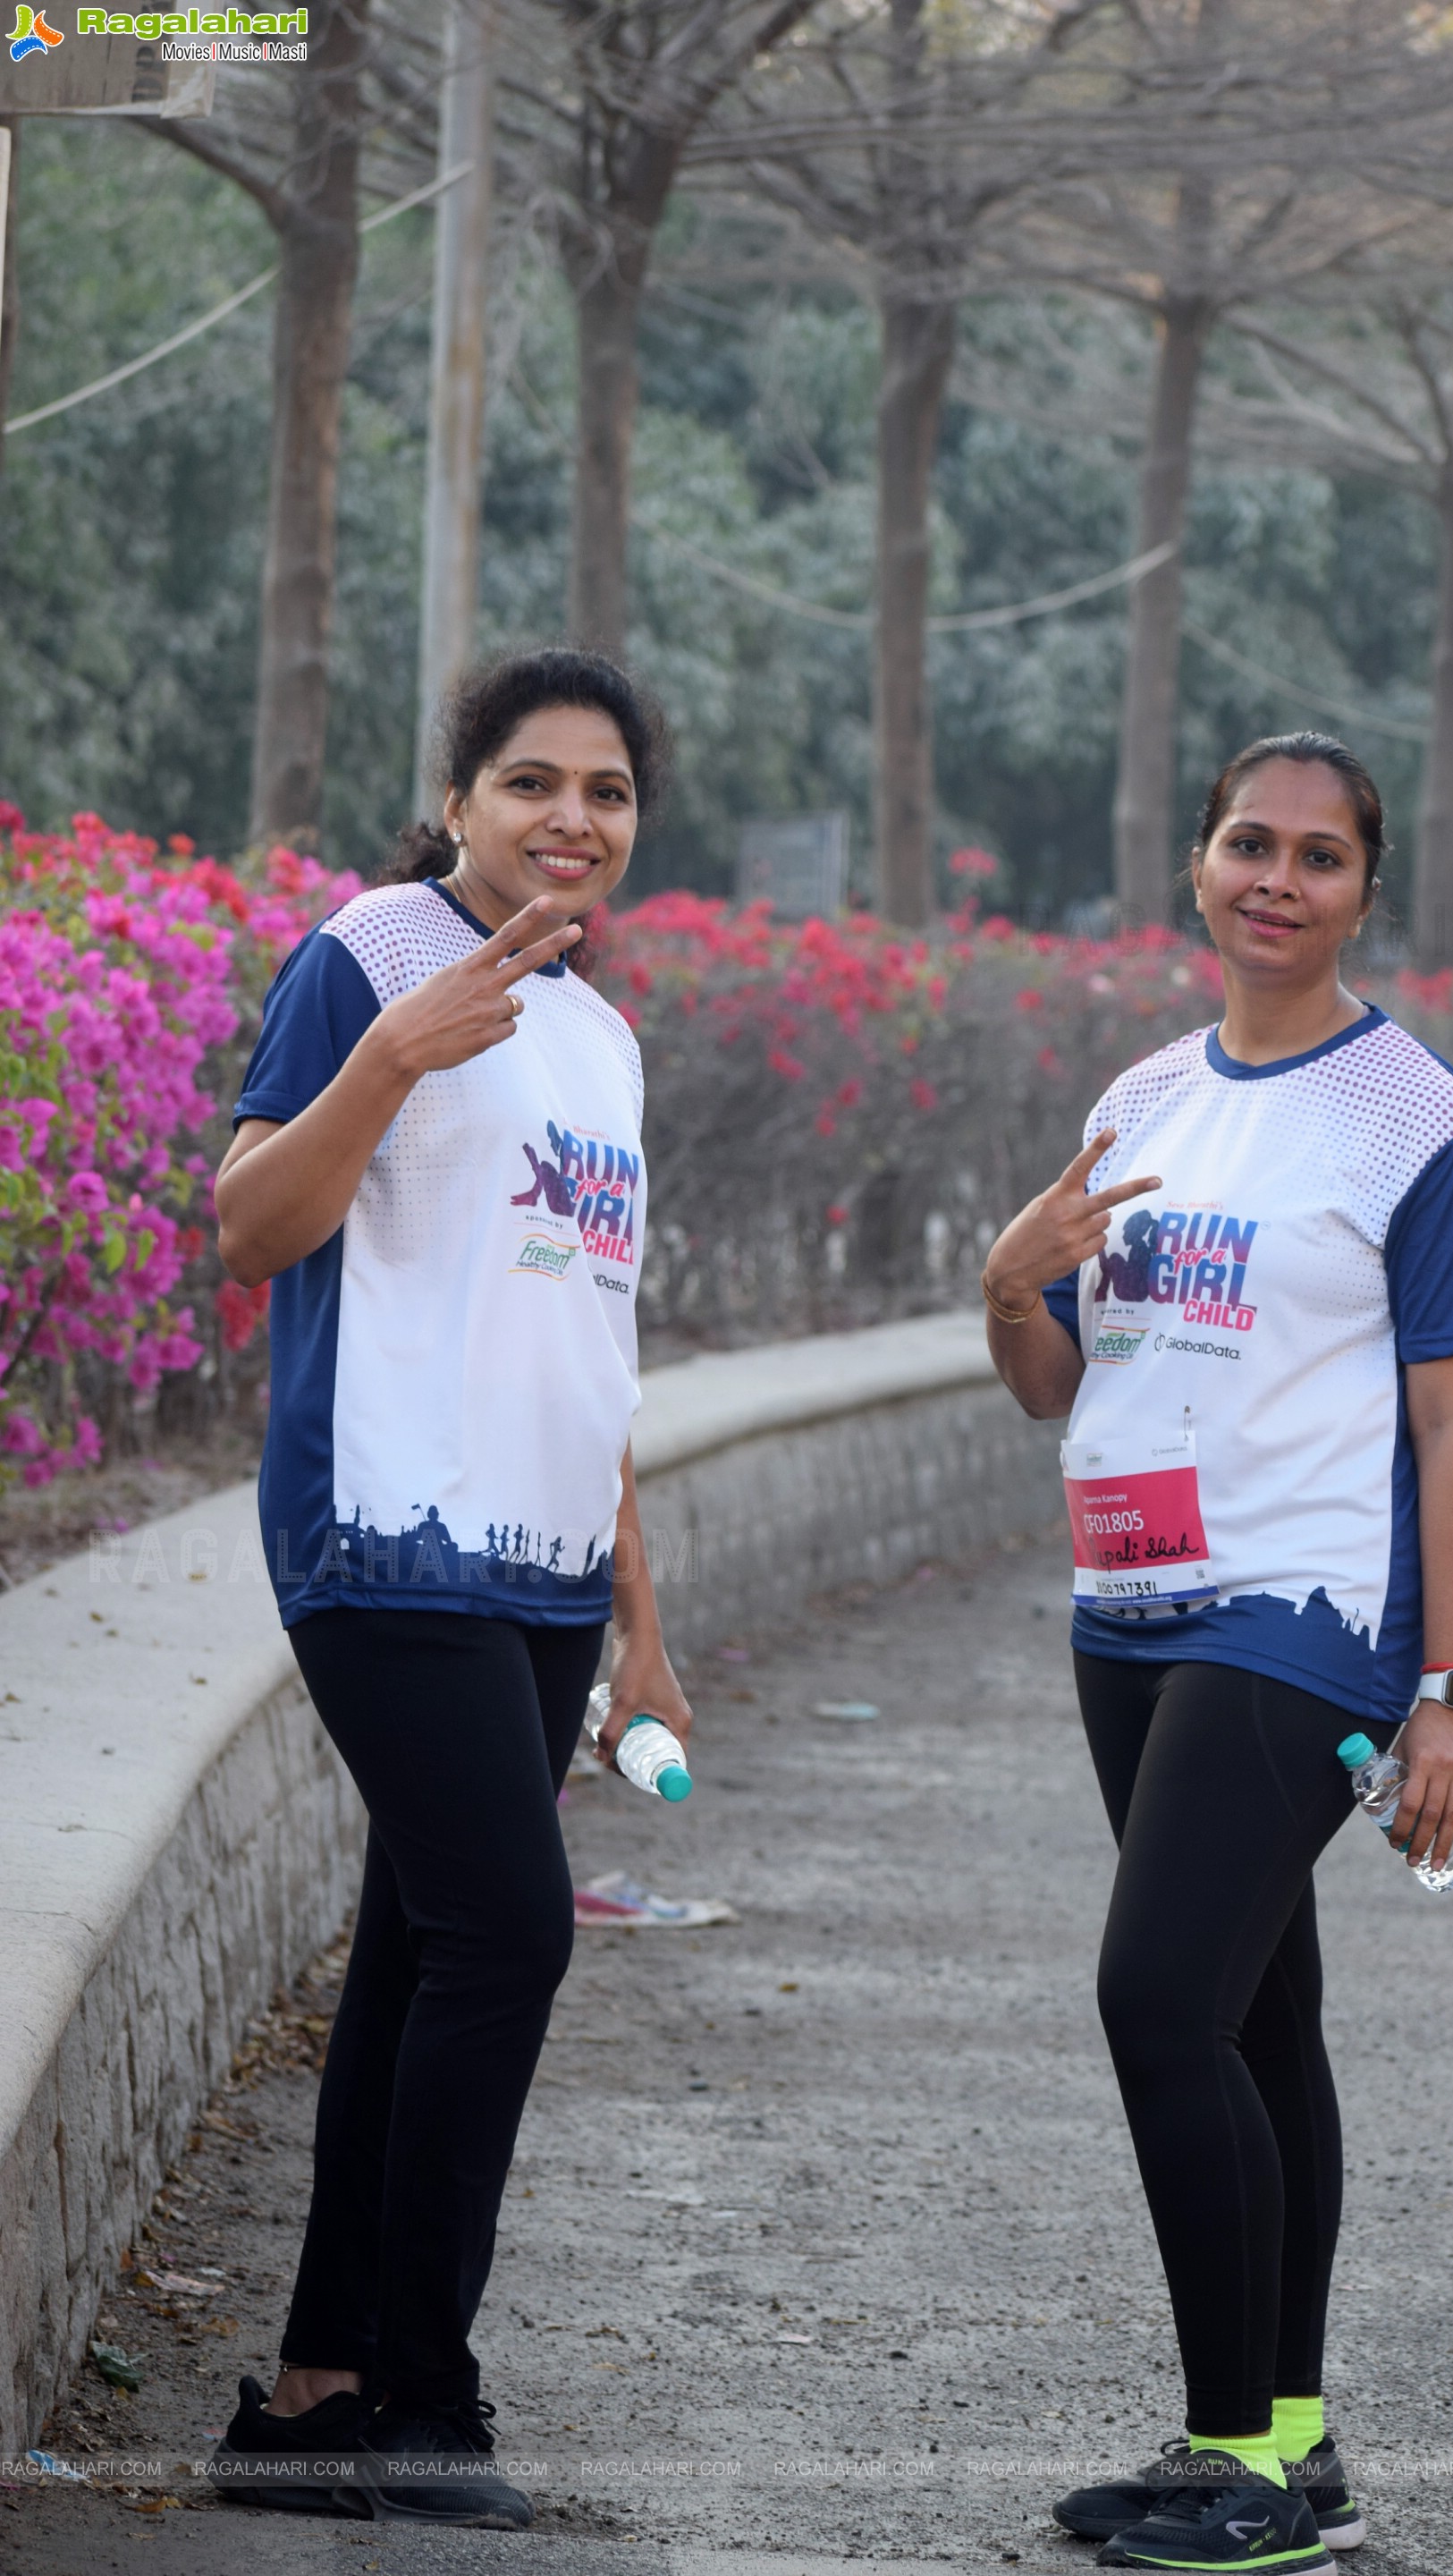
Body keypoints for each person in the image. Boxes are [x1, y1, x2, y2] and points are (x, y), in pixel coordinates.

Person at [984, 733, 1453, 2573]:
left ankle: (1234, 2463)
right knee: (1253, 2012)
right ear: (1199, 865)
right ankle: (1292, 2445)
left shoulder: (1417, 1121)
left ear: (1369, 888)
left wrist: (1449, 1692)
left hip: (1300, 1621)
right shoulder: (1141, 1101)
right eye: (1247, 844)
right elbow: (1072, 1384)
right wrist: (1005, 1286)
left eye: (1318, 855)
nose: (1275, 879)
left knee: (1157, 2003)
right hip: (1125, 1612)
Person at [207, 648, 692, 2530]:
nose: (574, 820)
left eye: (609, 794)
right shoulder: (372, 955)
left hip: (547, 1567)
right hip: (387, 1534)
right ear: (464, 797)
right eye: (533, 785)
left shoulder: (601, 1033)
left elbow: (593, 1342)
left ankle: (324, 2390)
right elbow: (253, 1224)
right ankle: (423, 2393)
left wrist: (641, 1625)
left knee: (425, 1957)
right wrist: (384, 1066)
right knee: (511, 1935)